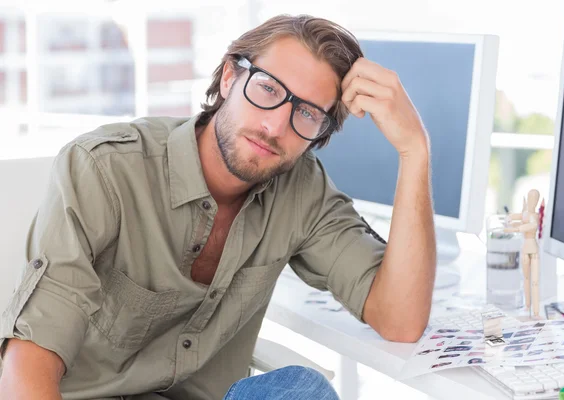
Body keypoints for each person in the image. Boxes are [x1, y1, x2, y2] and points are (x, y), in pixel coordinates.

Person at [0, 14, 436, 400]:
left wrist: (414, 151)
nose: (274, 126)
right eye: (268, 88)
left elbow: (399, 321)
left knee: (302, 389)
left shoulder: (302, 190)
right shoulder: (106, 170)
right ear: (230, 77)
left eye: (306, 113)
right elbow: (27, 366)